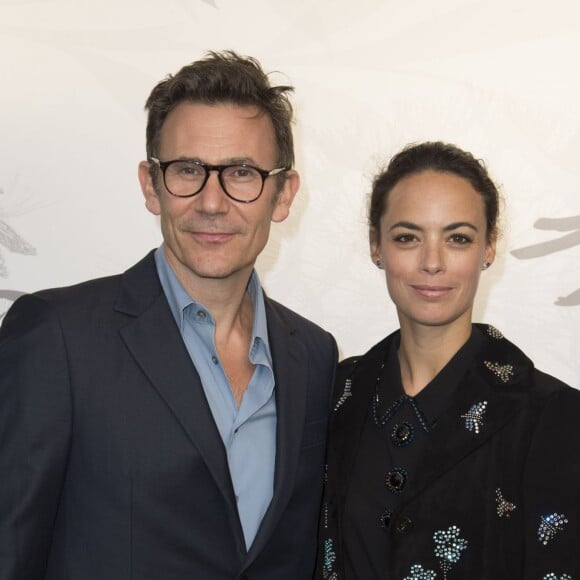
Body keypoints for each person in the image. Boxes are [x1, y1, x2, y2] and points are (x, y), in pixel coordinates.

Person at [0, 51, 337, 580]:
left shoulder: (315, 355)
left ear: (283, 194)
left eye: (242, 173)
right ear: (150, 184)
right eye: (187, 170)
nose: (212, 202)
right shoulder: (58, 337)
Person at [319, 142, 580, 579]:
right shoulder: (335, 394)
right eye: (408, 237)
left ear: (489, 248)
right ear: (376, 247)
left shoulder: (553, 416)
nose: (432, 263)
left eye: (457, 238)